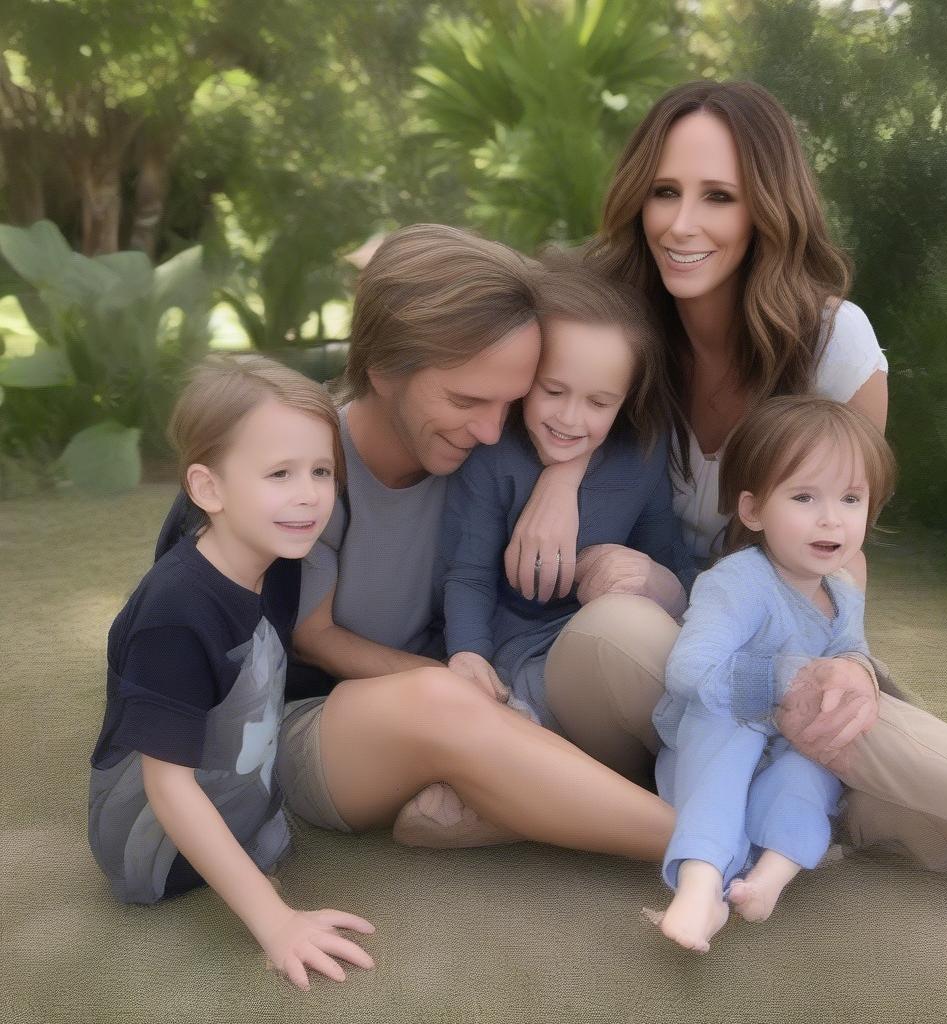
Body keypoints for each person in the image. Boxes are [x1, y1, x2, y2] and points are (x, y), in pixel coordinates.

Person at [508, 80, 947, 871]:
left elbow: (838, 538)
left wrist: (849, 660)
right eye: (664, 193)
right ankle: (792, 790)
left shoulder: (834, 348)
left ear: (767, 210)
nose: (683, 225)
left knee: (828, 710)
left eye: (719, 197)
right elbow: (519, 399)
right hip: (627, 656)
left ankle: (795, 796)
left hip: (771, 645)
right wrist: (560, 476)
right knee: (619, 629)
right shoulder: (608, 325)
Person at [247, 226, 680, 873]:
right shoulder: (311, 467)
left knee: (515, 698)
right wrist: (460, 682)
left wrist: (565, 474)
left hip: (476, 695)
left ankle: (516, 806)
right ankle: (705, 843)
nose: (489, 428)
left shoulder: (477, 440)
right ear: (383, 370)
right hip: (323, 718)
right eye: (468, 401)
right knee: (443, 703)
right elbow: (311, 638)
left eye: (506, 402)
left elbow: (572, 385)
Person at [88, 355, 378, 990]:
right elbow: (167, 788)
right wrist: (275, 921)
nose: (309, 494)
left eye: (322, 471)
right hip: (151, 838)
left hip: (235, 791)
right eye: (280, 474)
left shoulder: (278, 554)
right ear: (209, 488)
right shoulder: (177, 611)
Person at [655, 397, 895, 951]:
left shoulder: (841, 593)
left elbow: (851, 649)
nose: (831, 518)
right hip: (711, 747)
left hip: (784, 747)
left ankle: (769, 880)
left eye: (851, 498)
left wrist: (852, 670)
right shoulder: (737, 581)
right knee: (727, 731)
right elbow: (689, 669)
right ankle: (699, 885)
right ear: (754, 511)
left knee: (812, 772)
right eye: (805, 497)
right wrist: (791, 677)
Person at [442, 257, 692, 731]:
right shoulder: (493, 455)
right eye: (553, 390)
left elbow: (668, 553)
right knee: (519, 716)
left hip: (615, 637)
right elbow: (468, 574)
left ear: (626, 400)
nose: (571, 419)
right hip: (518, 649)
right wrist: (469, 654)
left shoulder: (641, 453)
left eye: (599, 403)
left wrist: (666, 587)